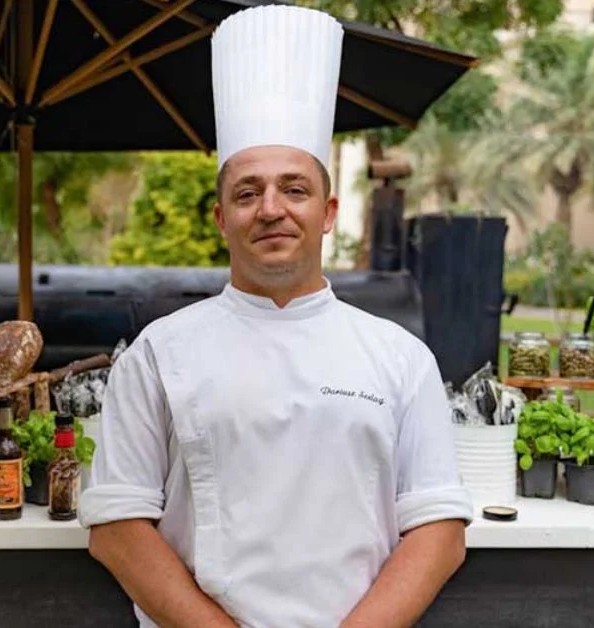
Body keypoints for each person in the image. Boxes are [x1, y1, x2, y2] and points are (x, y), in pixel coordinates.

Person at [78, 5, 473, 628]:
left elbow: (439, 531)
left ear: (328, 211)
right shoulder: (159, 352)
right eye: (246, 192)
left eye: (294, 189)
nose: (270, 209)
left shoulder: (399, 357)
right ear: (220, 218)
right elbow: (116, 526)